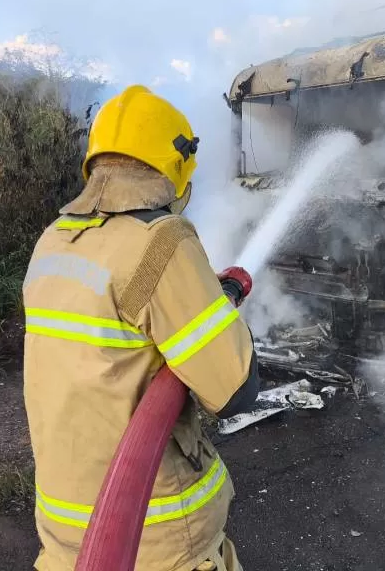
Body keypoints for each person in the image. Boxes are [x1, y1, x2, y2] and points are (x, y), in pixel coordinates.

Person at [22, 84, 260, 571]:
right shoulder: (161, 242)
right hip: (154, 538)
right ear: (176, 165)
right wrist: (215, 306)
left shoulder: (52, 242)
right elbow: (236, 389)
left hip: (64, 533)